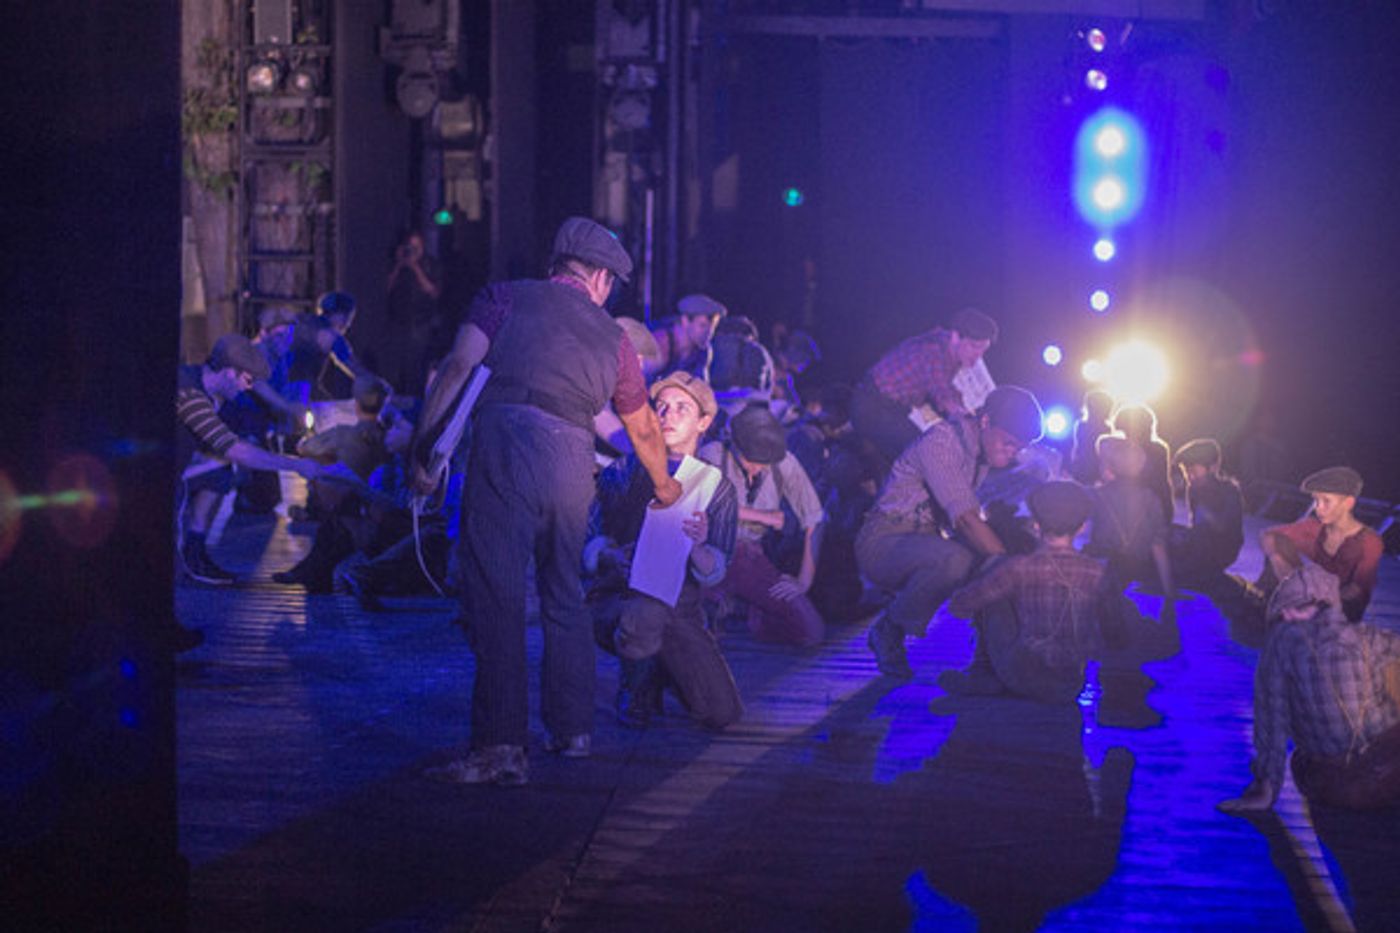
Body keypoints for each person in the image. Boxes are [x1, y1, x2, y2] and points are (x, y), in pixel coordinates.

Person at [419, 217, 681, 787]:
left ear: (557, 264)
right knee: (565, 592)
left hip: (507, 444)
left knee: (499, 596)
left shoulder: (504, 297)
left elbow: (457, 368)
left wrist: (424, 450)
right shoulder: (614, 338)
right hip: (570, 456)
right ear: (601, 280)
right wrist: (664, 486)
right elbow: (641, 427)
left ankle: (501, 746)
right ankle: (573, 731)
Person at [586, 372, 743, 730]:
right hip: (622, 599)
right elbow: (588, 536)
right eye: (662, 407)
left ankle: (662, 669)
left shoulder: (716, 488)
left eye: (682, 409)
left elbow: (717, 566)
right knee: (645, 612)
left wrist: (699, 546)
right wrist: (609, 555)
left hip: (680, 612)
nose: (668, 415)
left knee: (722, 712)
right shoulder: (625, 470)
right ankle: (636, 685)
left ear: (704, 422)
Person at [857, 385, 1043, 679]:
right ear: (985, 422)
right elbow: (966, 520)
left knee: (1007, 543)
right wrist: (1011, 569)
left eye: (1017, 448)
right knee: (962, 560)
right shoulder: (942, 442)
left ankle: (989, 658)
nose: (1011, 453)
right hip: (885, 542)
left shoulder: (980, 450)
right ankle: (888, 629)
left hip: (926, 541)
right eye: (1007, 443)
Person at [1219, 564, 1400, 812]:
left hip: (1322, 783)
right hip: (1382, 775)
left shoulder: (1279, 650)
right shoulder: (1369, 637)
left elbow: (1271, 726)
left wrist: (1265, 789)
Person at [940, 481, 1116, 703]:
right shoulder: (1097, 571)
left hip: (1019, 676)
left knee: (994, 590)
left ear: (1035, 525)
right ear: (1083, 527)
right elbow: (1114, 631)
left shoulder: (1019, 567)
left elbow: (959, 606)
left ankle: (983, 674)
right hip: (1071, 683)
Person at [176, 334, 324, 588]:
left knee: (219, 469)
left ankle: (194, 546)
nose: (248, 387)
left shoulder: (211, 393)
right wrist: (297, 465)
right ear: (229, 372)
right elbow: (236, 450)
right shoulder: (189, 392)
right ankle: (180, 561)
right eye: (247, 379)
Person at [699, 404, 826, 648]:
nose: (756, 468)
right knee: (699, 631)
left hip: (751, 556)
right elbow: (704, 505)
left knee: (811, 632)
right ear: (734, 443)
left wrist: (804, 580)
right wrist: (765, 517)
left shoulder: (783, 462)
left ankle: (748, 612)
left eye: (763, 463)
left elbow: (815, 518)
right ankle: (717, 605)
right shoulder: (712, 454)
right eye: (750, 461)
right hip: (710, 554)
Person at [850, 307, 999, 470]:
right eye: (974, 346)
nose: (978, 356)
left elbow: (936, 398)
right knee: (925, 454)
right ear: (956, 336)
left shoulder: (946, 348)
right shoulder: (933, 352)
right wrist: (980, 429)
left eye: (983, 350)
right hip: (873, 407)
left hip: (893, 407)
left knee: (934, 443)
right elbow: (947, 399)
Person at [1258, 466, 1384, 622]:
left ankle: (1289, 613)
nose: (1318, 507)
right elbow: (1268, 536)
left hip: (1342, 612)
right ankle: (1268, 605)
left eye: (1326, 501)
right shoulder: (1314, 527)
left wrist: (1316, 605)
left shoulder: (1369, 541)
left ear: (1348, 503)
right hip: (1310, 599)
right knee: (1279, 545)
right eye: (1316, 500)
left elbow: (1356, 590)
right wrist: (1284, 569)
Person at [1085, 435, 1175, 601]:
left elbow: (1081, 534)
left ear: (1111, 466)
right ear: (1140, 466)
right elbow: (1159, 546)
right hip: (1138, 571)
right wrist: (1168, 591)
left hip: (1102, 572)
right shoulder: (1151, 498)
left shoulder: (1095, 496)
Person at [1169, 438, 1245, 588]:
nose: (1190, 477)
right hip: (1199, 543)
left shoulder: (1229, 491)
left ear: (1213, 468)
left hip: (1222, 549)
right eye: (1187, 472)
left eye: (1194, 471)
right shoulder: (1193, 488)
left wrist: (1206, 509)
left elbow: (1225, 529)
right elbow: (1194, 525)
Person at [383, 230, 443, 398]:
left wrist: (415, 267)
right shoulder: (396, 264)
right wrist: (399, 265)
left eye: (416, 248)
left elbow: (433, 291)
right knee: (397, 367)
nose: (412, 251)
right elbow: (385, 288)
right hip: (398, 322)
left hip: (421, 323)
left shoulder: (430, 265)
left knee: (418, 367)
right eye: (410, 247)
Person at [1110, 404, 1173, 523]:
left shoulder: (1121, 449)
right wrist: (1167, 511)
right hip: (1154, 507)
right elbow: (1164, 484)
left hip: (1127, 508)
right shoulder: (1159, 449)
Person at [651, 293, 727, 379]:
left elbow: (702, 388)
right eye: (702, 326)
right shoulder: (661, 344)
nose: (709, 332)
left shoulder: (702, 350)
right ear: (685, 321)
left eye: (713, 327)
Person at [1069, 389, 1114, 486]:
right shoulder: (1107, 429)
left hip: (1083, 468)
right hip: (1097, 470)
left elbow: (1077, 449)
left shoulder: (1081, 426)